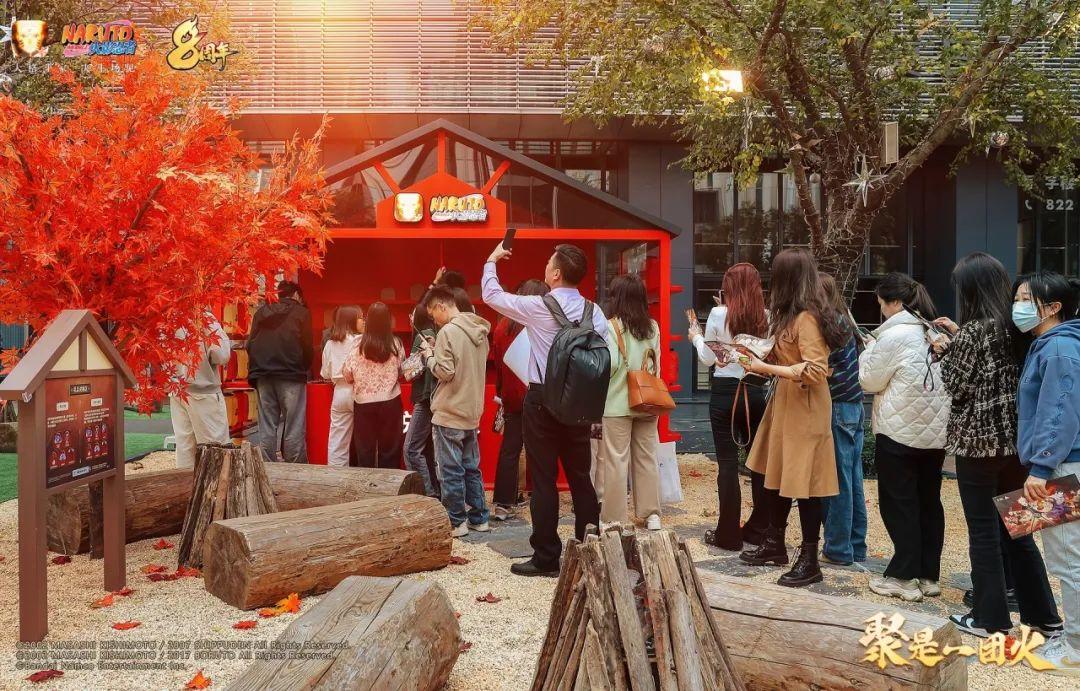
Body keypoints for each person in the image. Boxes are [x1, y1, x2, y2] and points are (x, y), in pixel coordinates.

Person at [483, 242, 607, 577]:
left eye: (549, 264)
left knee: (543, 480)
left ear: (556, 273)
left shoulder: (538, 306)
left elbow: (492, 295)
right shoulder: (594, 312)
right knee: (580, 477)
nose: (545, 268)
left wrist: (492, 260)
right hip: (579, 401)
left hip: (541, 400)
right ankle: (589, 551)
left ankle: (547, 556)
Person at [737, 249, 848, 588]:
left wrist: (766, 367)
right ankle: (775, 543)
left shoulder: (807, 319)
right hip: (787, 403)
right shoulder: (791, 316)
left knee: (806, 484)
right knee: (777, 473)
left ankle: (809, 559)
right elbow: (787, 358)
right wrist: (751, 354)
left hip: (806, 407)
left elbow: (815, 370)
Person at [858, 272, 949, 602]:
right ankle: (928, 575)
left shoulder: (893, 335)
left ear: (895, 302)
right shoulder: (935, 331)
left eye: (882, 303)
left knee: (900, 504)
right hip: (934, 434)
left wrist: (868, 350)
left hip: (899, 431)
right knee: (928, 502)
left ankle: (902, 576)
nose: (881, 309)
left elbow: (869, 380)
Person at [1014, 271, 1080, 673]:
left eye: (1026, 299)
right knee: (1068, 556)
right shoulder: (1054, 344)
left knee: (1067, 559)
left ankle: (1075, 648)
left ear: (1053, 307)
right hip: (1062, 463)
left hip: (1060, 466)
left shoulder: (1058, 349)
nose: (1017, 306)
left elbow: (1059, 412)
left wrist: (1040, 467)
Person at [689, 262, 771, 550]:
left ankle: (728, 533)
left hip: (725, 393)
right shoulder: (766, 316)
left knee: (727, 464)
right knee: (758, 463)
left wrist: (696, 337)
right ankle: (760, 530)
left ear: (729, 289)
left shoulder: (718, 313)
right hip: (755, 391)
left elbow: (708, 358)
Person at [420, 286, 492, 537]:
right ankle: (479, 518)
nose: (434, 320)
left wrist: (429, 356)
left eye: (433, 314)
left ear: (441, 306)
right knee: (471, 468)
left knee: (450, 470)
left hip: (449, 410)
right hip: (472, 410)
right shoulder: (478, 330)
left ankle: (456, 521)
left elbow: (445, 371)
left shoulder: (447, 332)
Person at [600, 274, 662, 530]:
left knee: (616, 460)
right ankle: (651, 514)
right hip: (648, 400)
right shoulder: (652, 327)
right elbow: (655, 364)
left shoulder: (611, 327)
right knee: (647, 457)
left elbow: (612, 364)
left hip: (617, 403)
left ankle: (614, 518)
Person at [818, 274, 867, 566]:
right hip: (855, 404)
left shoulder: (827, 324)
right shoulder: (845, 318)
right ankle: (856, 544)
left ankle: (837, 548)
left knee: (837, 479)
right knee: (853, 477)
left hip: (837, 404)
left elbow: (822, 368)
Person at [491, 279, 550, 520]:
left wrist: (501, 392)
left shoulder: (503, 325)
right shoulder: (541, 323)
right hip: (538, 396)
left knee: (510, 449)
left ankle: (503, 502)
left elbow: (499, 364)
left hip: (511, 397)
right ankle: (539, 495)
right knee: (541, 448)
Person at [248, 280, 313, 463]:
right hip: (291, 373)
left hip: (262, 374)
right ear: (296, 295)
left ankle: (267, 465)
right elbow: (307, 346)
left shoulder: (261, 313)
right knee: (294, 422)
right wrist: (304, 368)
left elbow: (250, 344)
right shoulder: (301, 313)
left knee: (267, 423)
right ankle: (295, 466)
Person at [342, 302, 405, 468]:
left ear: (368, 320)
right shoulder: (396, 344)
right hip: (391, 401)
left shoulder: (357, 344)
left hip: (363, 403)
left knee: (364, 450)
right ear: (388, 321)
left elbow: (347, 374)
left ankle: (367, 482)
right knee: (390, 450)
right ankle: (389, 482)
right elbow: (401, 370)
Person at [170, 314, 231, 469]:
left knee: (185, 448)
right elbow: (221, 355)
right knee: (215, 449)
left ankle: (186, 483)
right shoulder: (204, 318)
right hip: (204, 392)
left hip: (177, 391)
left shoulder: (170, 315)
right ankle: (215, 484)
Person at [320, 305, 363, 467]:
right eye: (360, 317)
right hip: (360, 392)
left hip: (339, 392)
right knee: (365, 438)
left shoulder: (330, 344)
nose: (363, 321)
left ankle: (335, 475)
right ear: (352, 320)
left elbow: (325, 373)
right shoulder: (360, 342)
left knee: (337, 440)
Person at [403, 303, 439, 496]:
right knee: (427, 450)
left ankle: (426, 493)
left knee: (411, 449)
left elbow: (411, 372)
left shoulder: (421, 335)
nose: (410, 317)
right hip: (434, 397)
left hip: (424, 398)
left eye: (413, 314)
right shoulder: (435, 333)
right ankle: (435, 490)